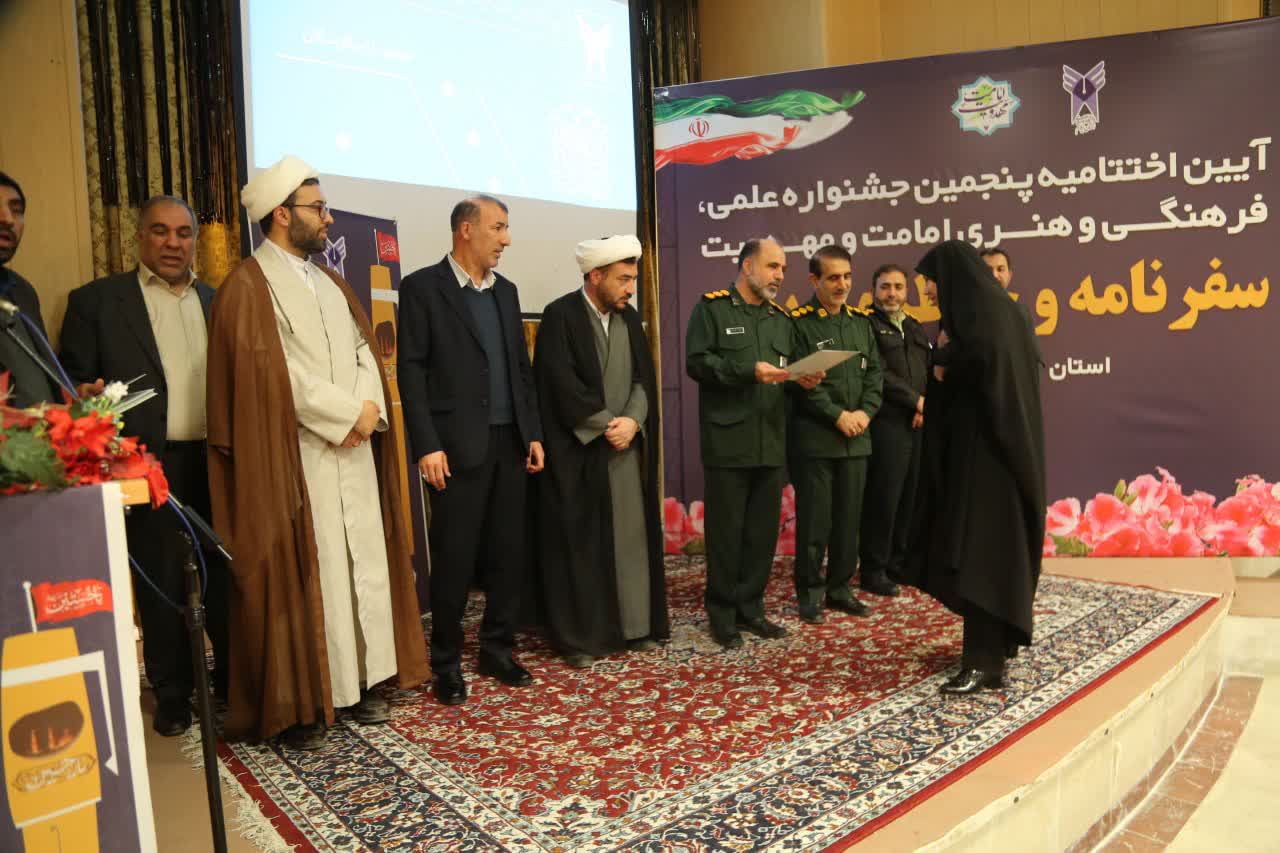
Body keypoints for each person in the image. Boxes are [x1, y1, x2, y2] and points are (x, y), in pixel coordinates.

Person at [206, 156, 428, 748]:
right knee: (317, 572)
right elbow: (273, 375)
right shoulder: (248, 287)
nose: (328, 219)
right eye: (318, 208)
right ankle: (313, 697)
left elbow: (362, 350)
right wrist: (345, 415)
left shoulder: (329, 281)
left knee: (360, 566)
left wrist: (367, 411)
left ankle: (364, 682)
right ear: (282, 215)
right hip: (296, 458)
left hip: (352, 449)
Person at [59, 195, 230, 737]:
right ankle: (173, 695)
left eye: (183, 233)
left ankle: (228, 685)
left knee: (223, 577)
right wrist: (82, 396)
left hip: (218, 461)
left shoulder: (219, 301)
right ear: (139, 237)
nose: (173, 243)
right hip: (144, 464)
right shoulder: (97, 302)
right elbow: (69, 385)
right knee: (161, 581)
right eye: (160, 231)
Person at [398, 195, 544, 705]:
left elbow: (520, 369)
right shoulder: (422, 288)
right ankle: (445, 662)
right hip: (455, 448)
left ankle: (497, 649)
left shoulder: (507, 292)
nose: (506, 239)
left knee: (508, 554)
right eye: (498, 228)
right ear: (466, 229)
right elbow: (411, 372)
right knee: (455, 560)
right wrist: (426, 445)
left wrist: (532, 432)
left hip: (509, 443)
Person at [903, 240, 1045, 694]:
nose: (928, 291)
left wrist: (945, 371)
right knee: (989, 558)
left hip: (991, 464)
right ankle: (991, 650)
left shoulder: (987, 321)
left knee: (983, 560)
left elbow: (987, 381)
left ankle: (984, 664)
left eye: (932, 281)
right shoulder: (994, 315)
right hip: (993, 458)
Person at [532, 235, 667, 667]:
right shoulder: (560, 315)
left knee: (630, 540)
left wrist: (633, 421)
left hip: (624, 446)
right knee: (580, 547)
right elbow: (558, 383)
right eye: (623, 279)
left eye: (633, 279)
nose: (631, 289)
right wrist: (606, 425)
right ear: (595, 276)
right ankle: (580, 639)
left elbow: (643, 380)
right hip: (582, 451)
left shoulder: (629, 318)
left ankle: (635, 628)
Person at [685, 237, 823, 649]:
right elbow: (697, 363)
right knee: (727, 534)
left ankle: (751, 609)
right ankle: (722, 615)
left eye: (783, 269)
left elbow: (788, 373)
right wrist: (748, 371)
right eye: (772, 266)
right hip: (728, 441)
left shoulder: (781, 318)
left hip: (771, 440)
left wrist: (803, 378)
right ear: (747, 266)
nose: (780, 275)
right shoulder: (712, 309)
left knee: (761, 535)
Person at [787, 245, 882, 623]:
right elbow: (799, 380)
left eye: (846, 277)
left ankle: (840, 589)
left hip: (857, 438)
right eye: (833, 278)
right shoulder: (798, 323)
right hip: (817, 440)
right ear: (814, 280)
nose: (842, 285)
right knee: (815, 522)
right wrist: (837, 415)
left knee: (848, 522)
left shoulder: (861, 322)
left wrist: (864, 413)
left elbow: (875, 376)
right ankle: (810, 593)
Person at [859, 263, 932, 598]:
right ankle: (873, 570)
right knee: (884, 499)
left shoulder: (915, 327)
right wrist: (916, 401)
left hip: (917, 422)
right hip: (886, 424)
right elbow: (878, 374)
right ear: (874, 291)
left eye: (898, 287)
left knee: (909, 497)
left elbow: (927, 370)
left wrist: (923, 406)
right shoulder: (866, 325)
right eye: (885, 286)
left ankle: (897, 565)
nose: (892, 293)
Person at [0, 172, 64, 407]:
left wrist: (70, 397)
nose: (8, 219)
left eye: (16, 210)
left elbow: (33, 379)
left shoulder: (23, 291)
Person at [980, 247, 1035, 330]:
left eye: (1000, 269)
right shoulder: (964, 311)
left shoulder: (1021, 315)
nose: (994, 275)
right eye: (988, 270)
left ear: (1009, 275)